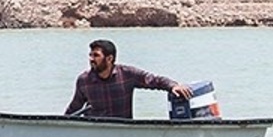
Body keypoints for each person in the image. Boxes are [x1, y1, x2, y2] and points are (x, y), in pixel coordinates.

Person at [64, 39, 192, 118]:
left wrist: (173, 86)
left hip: (123, 132)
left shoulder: (127, 74)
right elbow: (74, 107)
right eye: (90, 55)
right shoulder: (84, 80)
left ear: (109, 58)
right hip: (95, 133)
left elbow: (154, 80)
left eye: (96, 55)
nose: (91, 59)